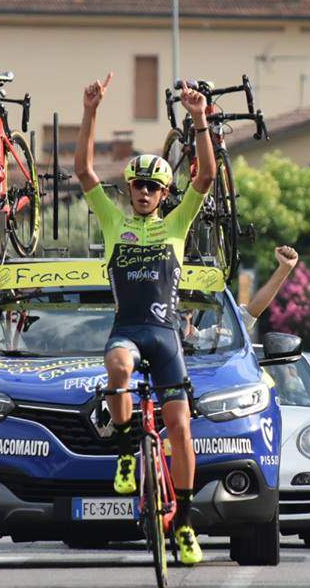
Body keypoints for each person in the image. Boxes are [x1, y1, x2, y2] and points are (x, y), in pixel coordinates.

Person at [74, 73, 213, 565]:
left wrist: (198, 120)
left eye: (154, 186)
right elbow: (84, 171)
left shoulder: (175, 224)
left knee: (179, 429)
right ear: (129, 189)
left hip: (167, 338)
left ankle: (186, 524)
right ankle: (129, 452)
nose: (145, 191)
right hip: (129, 333)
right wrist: (90, 111)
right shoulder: (115, 223)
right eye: (138, 184)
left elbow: (206, 179)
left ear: (163, 193)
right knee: (115, 364)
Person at [183, 246, 298, 349]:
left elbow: (251, 313)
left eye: (187, 308)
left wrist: (284, 268)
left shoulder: (210, 340)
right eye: (177, 310)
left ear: (192, 313)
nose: (182, 313)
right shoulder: (165, 342)